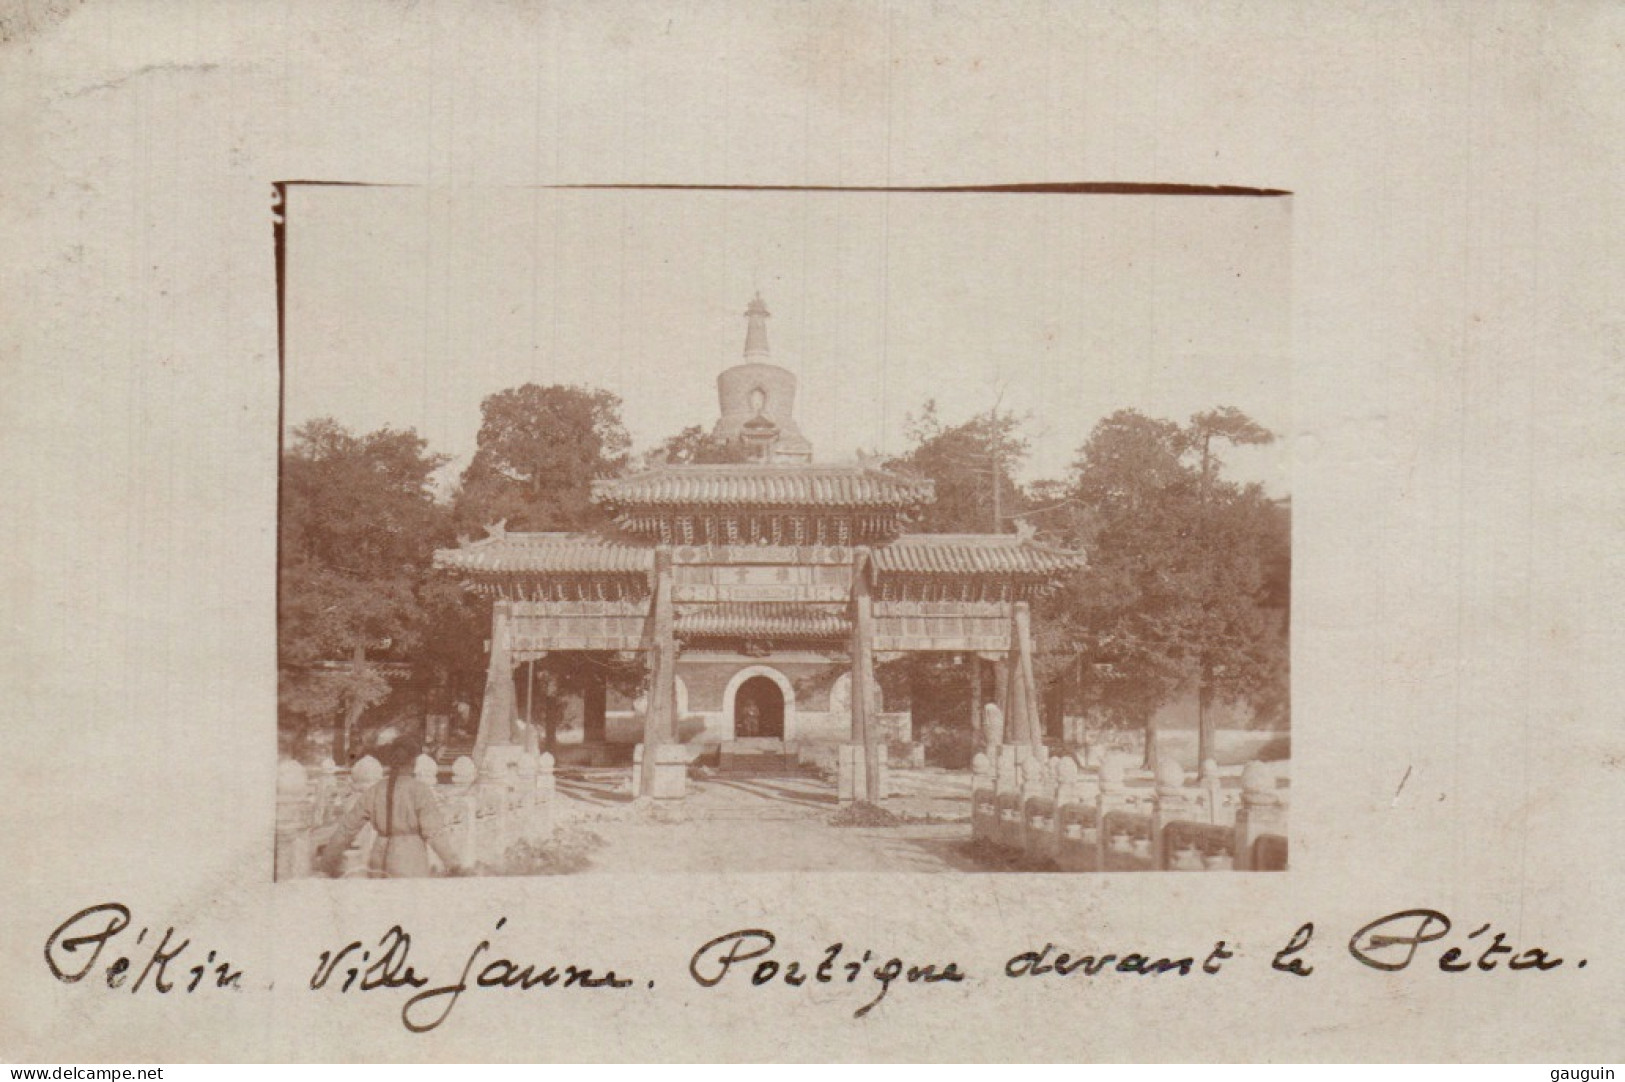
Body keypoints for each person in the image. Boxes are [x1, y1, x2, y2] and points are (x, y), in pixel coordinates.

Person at [319, 736, 469, 878]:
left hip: (378, 856)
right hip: (409, 858)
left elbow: (346, 830)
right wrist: (454, 865)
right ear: (414, 762)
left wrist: (326, 864)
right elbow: (434, 833)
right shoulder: (419, 791)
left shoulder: (375, 790)